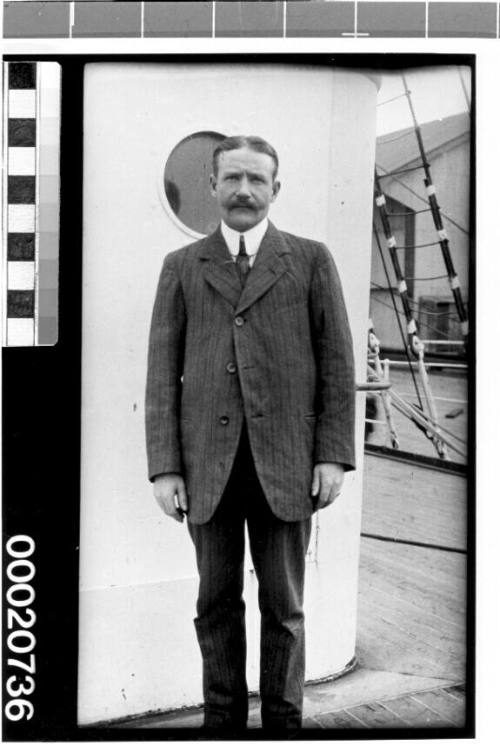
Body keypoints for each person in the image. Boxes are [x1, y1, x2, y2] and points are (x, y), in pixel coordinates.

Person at [145, 135, 356, 734]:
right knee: (215, 606)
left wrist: (333, 457)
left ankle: (283, 730)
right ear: (212, 186)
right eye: (231, 178)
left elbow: (337, 363)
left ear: (275, 189)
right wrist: (166, 465)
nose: (243, 190)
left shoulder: (310, 259)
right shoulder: (182, 267)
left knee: (283, 609)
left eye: (256, 180)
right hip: (206, 469)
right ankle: (223, 729)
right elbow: (162, 372)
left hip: (287, 466)